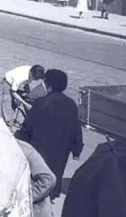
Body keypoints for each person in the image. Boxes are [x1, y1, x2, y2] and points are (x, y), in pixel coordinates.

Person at [16, 69, 83, 199]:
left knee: (38, 174)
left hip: (41, 146)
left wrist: (18, 141)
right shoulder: (71, 105)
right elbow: (76, 128)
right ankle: (51, 194)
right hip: (61, 148)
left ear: (49, 85)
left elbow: (27, 127)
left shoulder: (41, 103)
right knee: (56, 171)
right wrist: (76, 149)